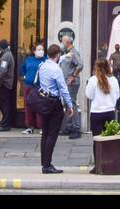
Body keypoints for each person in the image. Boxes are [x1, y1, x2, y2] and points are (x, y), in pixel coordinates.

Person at [32, 43, 74, 173]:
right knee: (52, 134)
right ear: (58, 55)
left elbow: (36, 81)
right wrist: (69, 105)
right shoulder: (56, 70)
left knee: (45, 132)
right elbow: (63, 88)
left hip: (43, 101)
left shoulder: (42, 65)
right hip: (54, 103)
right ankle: (47, 165)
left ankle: (44, 162)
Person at [57, 32, 84, 139]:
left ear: (67, 42)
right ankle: (68, 127)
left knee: (72, 104)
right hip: (67, 83)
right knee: (68, 105)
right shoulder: (66, 53)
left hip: (72, 83)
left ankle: (76, 128)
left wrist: (73, 76)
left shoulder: (73, 53)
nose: (61, 43)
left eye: (62, 41)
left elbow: (81, 65)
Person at [85, 60, 119, 134]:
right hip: (110, 112)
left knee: (97, 140)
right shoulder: (114, 80)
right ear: (108, 67)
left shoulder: (92, 80)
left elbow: (89, 95)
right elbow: (117, 96)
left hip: (96, 112)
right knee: (110, 140)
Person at [0, 37, 17, 131]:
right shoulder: (6, 55)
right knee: (4, 104)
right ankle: (4, 123)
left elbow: (2, 70)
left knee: (5, 105)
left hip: (4, 84)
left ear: (1, 47)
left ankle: (5, 124)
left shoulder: (6, 56)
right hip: (5, 83)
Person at [21, 43, 46, 135]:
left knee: (40, 106)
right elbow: (22, 68)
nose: (41, 51)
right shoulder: (29, 60)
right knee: (28, 106)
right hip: (28, 85)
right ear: (34, 51)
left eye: (42, 49)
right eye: (39, 49)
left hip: (40, 86)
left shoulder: (45, 60)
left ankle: (42, 126)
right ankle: (29, 126)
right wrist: (25, 75)